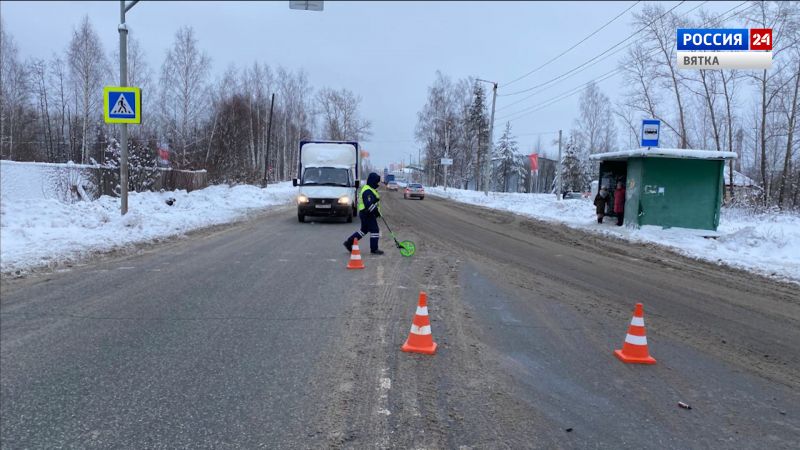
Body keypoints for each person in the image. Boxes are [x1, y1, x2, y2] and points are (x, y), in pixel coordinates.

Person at [344, 172, 384, 255]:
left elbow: (373, 202)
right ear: (373, 181)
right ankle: (374, 249)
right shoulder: (367, 191)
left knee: (364, 230)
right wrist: (376, 212)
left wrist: (377, 212)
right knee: (375, 230)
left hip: (365, 213)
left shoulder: (370, 189)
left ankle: (349, 242)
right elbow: (369, 204)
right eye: (376, 181)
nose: (377, 183)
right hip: (367, 213)